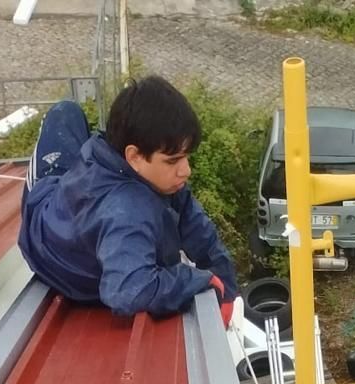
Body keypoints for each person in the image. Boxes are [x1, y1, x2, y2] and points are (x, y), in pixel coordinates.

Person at [18, 76, 237, 322]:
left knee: (67, 112)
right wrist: (202, 280)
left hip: (86, 196)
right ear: (133, 157)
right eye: (173, 160)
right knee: (64, 111)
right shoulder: (127, 213)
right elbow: (128, 292)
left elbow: (197, 227)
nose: (186, 170)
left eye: (186, 157)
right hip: (42, 226)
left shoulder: (161, 179)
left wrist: (226, 288)